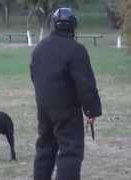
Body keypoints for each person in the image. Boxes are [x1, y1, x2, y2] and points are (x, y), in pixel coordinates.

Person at [30, 8, 102, 180]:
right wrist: (91, 111)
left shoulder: (39, 48)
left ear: (53, 25)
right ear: (73, 27)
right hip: (67, 110)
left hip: (44, 107)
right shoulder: (76, 50)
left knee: (44, 148)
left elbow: (34, 76)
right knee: (70, 151)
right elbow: (85, 84)